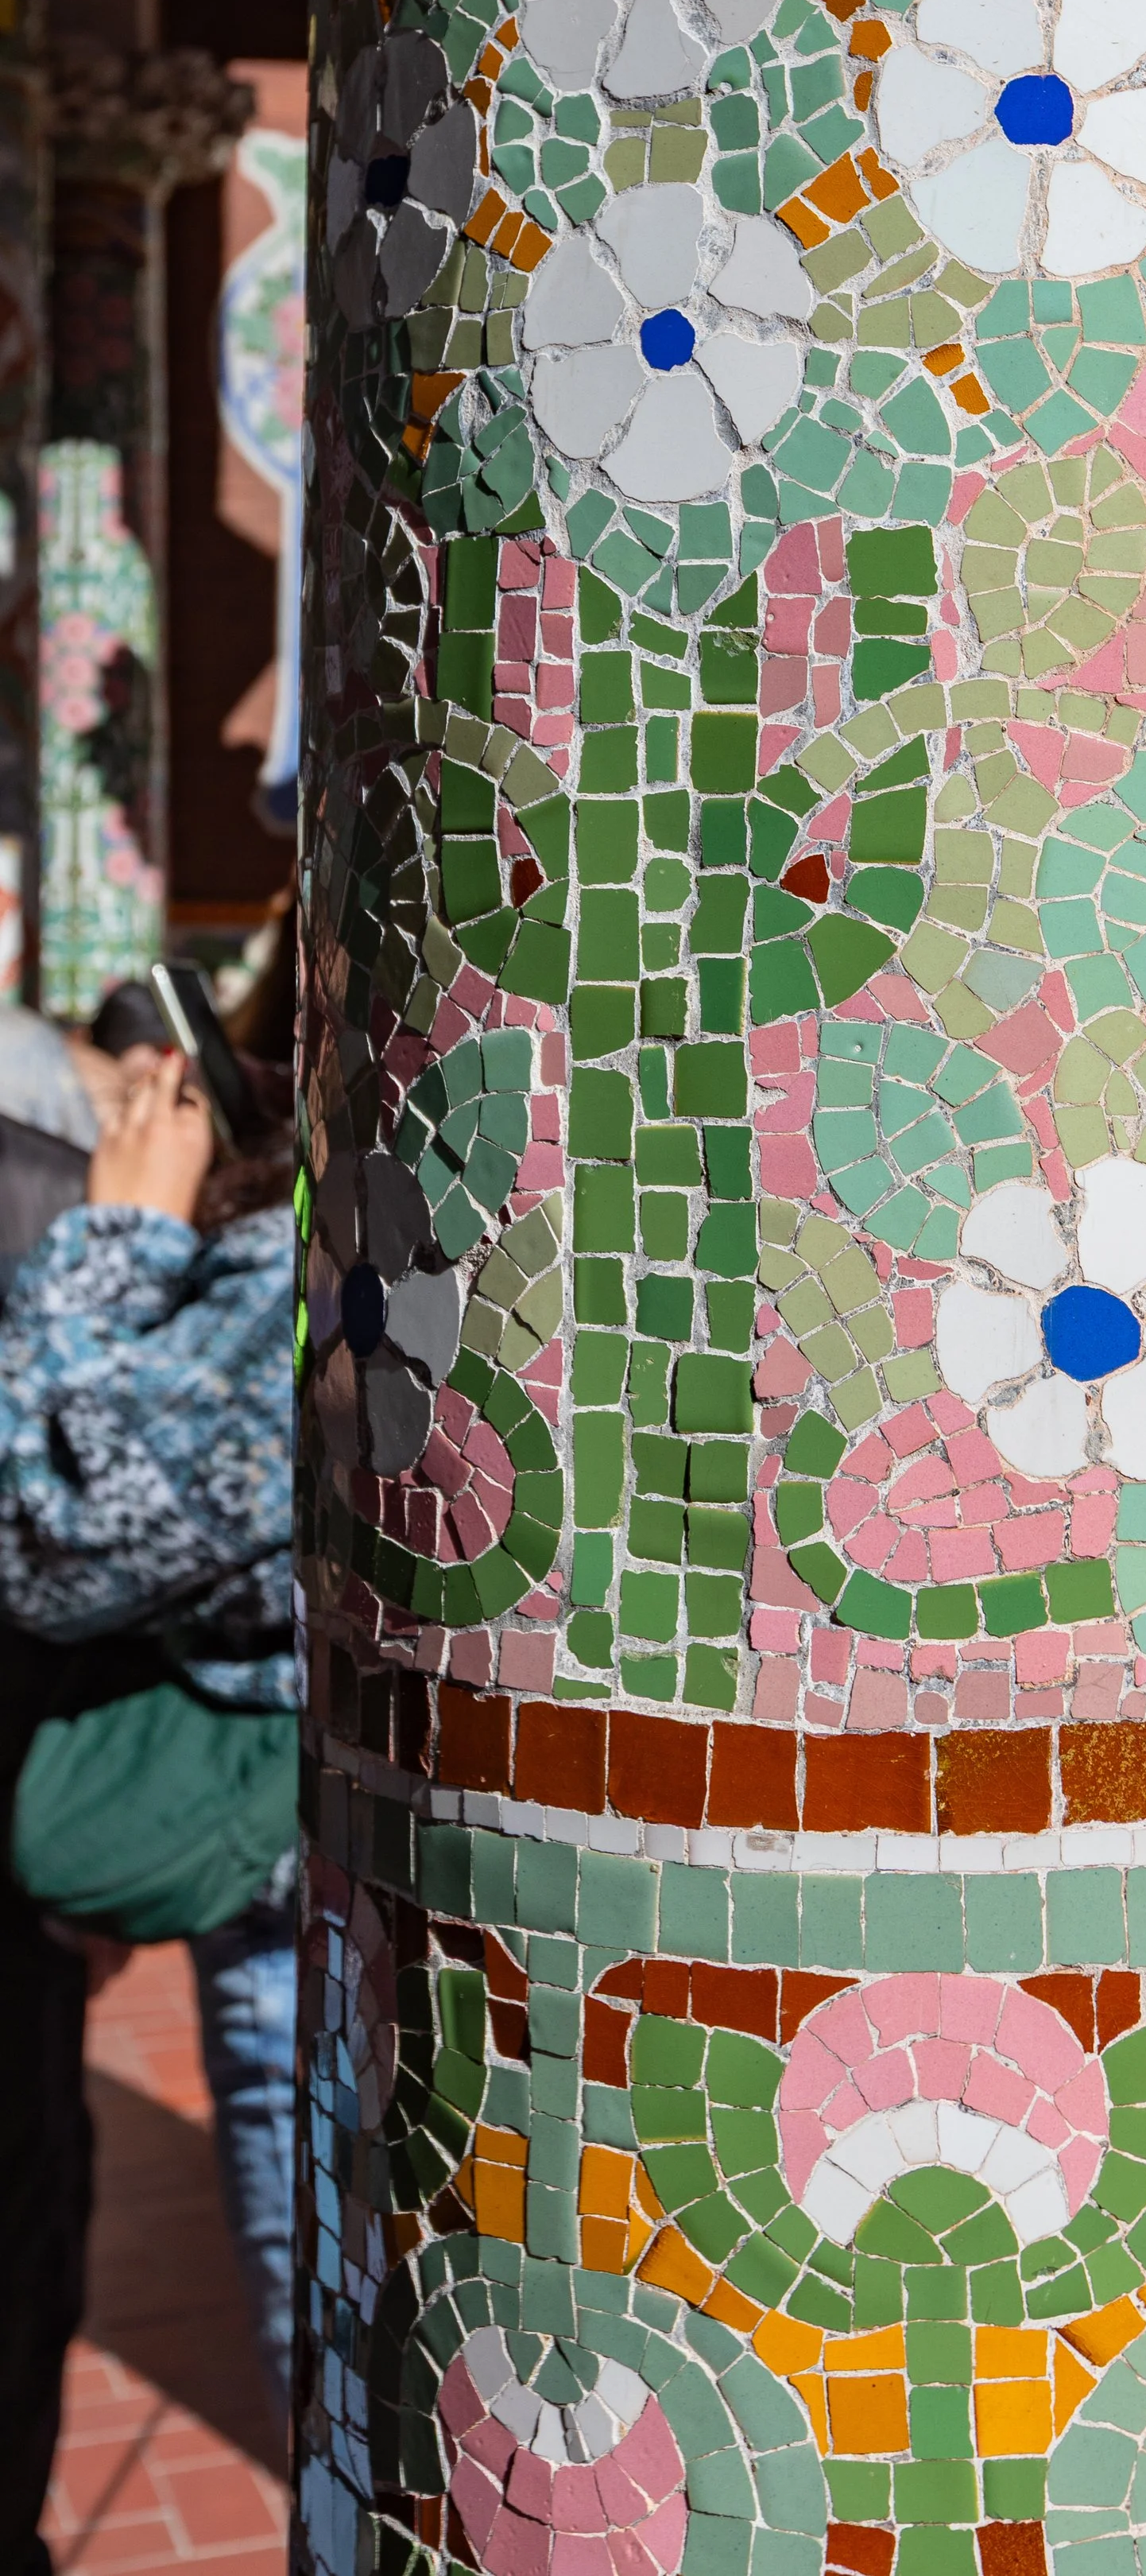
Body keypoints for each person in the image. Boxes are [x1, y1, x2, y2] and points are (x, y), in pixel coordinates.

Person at [0, 938, 296, 2555]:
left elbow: (63, 1534)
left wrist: (116, 1236)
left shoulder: (315, 1243)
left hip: (289, 1891)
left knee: (334, 2363)